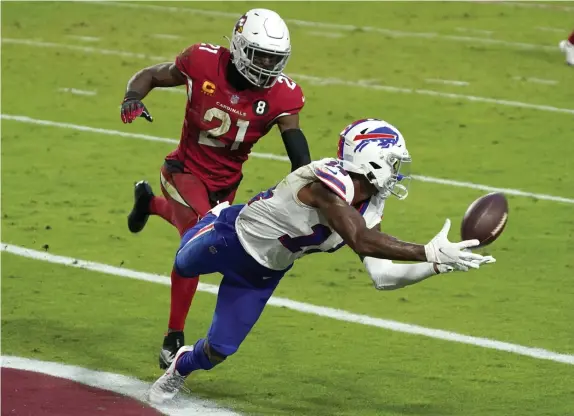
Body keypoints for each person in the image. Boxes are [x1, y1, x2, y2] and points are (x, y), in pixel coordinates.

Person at [147, 118, 495, 403]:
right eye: (392, 162)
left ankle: (180, 367)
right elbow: (360, 239)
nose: (397, 171)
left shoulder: (370, 202)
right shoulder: (327, 183)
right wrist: (426, 250)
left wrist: (436, 265)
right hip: (230, 237)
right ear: (369, 159)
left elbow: (383, 277)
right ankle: (184, 211)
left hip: (264, 271)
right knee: (183, 264)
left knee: (219, 350)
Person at [119, 8, 311, 369]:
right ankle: (172, 337)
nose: (268, 64)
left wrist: (310, 181)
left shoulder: (283, 96)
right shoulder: (202, 61)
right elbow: (152, 75)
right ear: (238, 47)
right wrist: (132, 95)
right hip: (184, 170)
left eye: (275, 58)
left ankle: (149, 204)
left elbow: (297, 147)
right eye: (260, 55)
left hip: (226, 185)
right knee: (195, 237)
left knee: (198, 229)